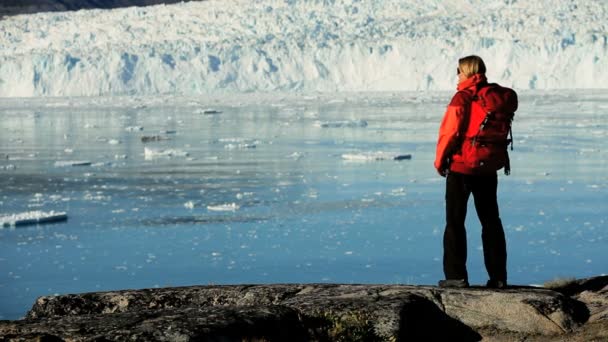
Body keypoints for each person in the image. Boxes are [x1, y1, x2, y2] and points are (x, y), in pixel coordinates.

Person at [434, 55, 509, 289]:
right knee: (491, 222)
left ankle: (456, 277)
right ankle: (498, 278)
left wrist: (440, 161)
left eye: (458, 70)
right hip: (487, 167)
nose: (456, 75)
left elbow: (449, 132)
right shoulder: (495, 96)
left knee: (455, 222)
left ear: (466, 71)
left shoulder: (463, 97)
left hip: (461, 167)